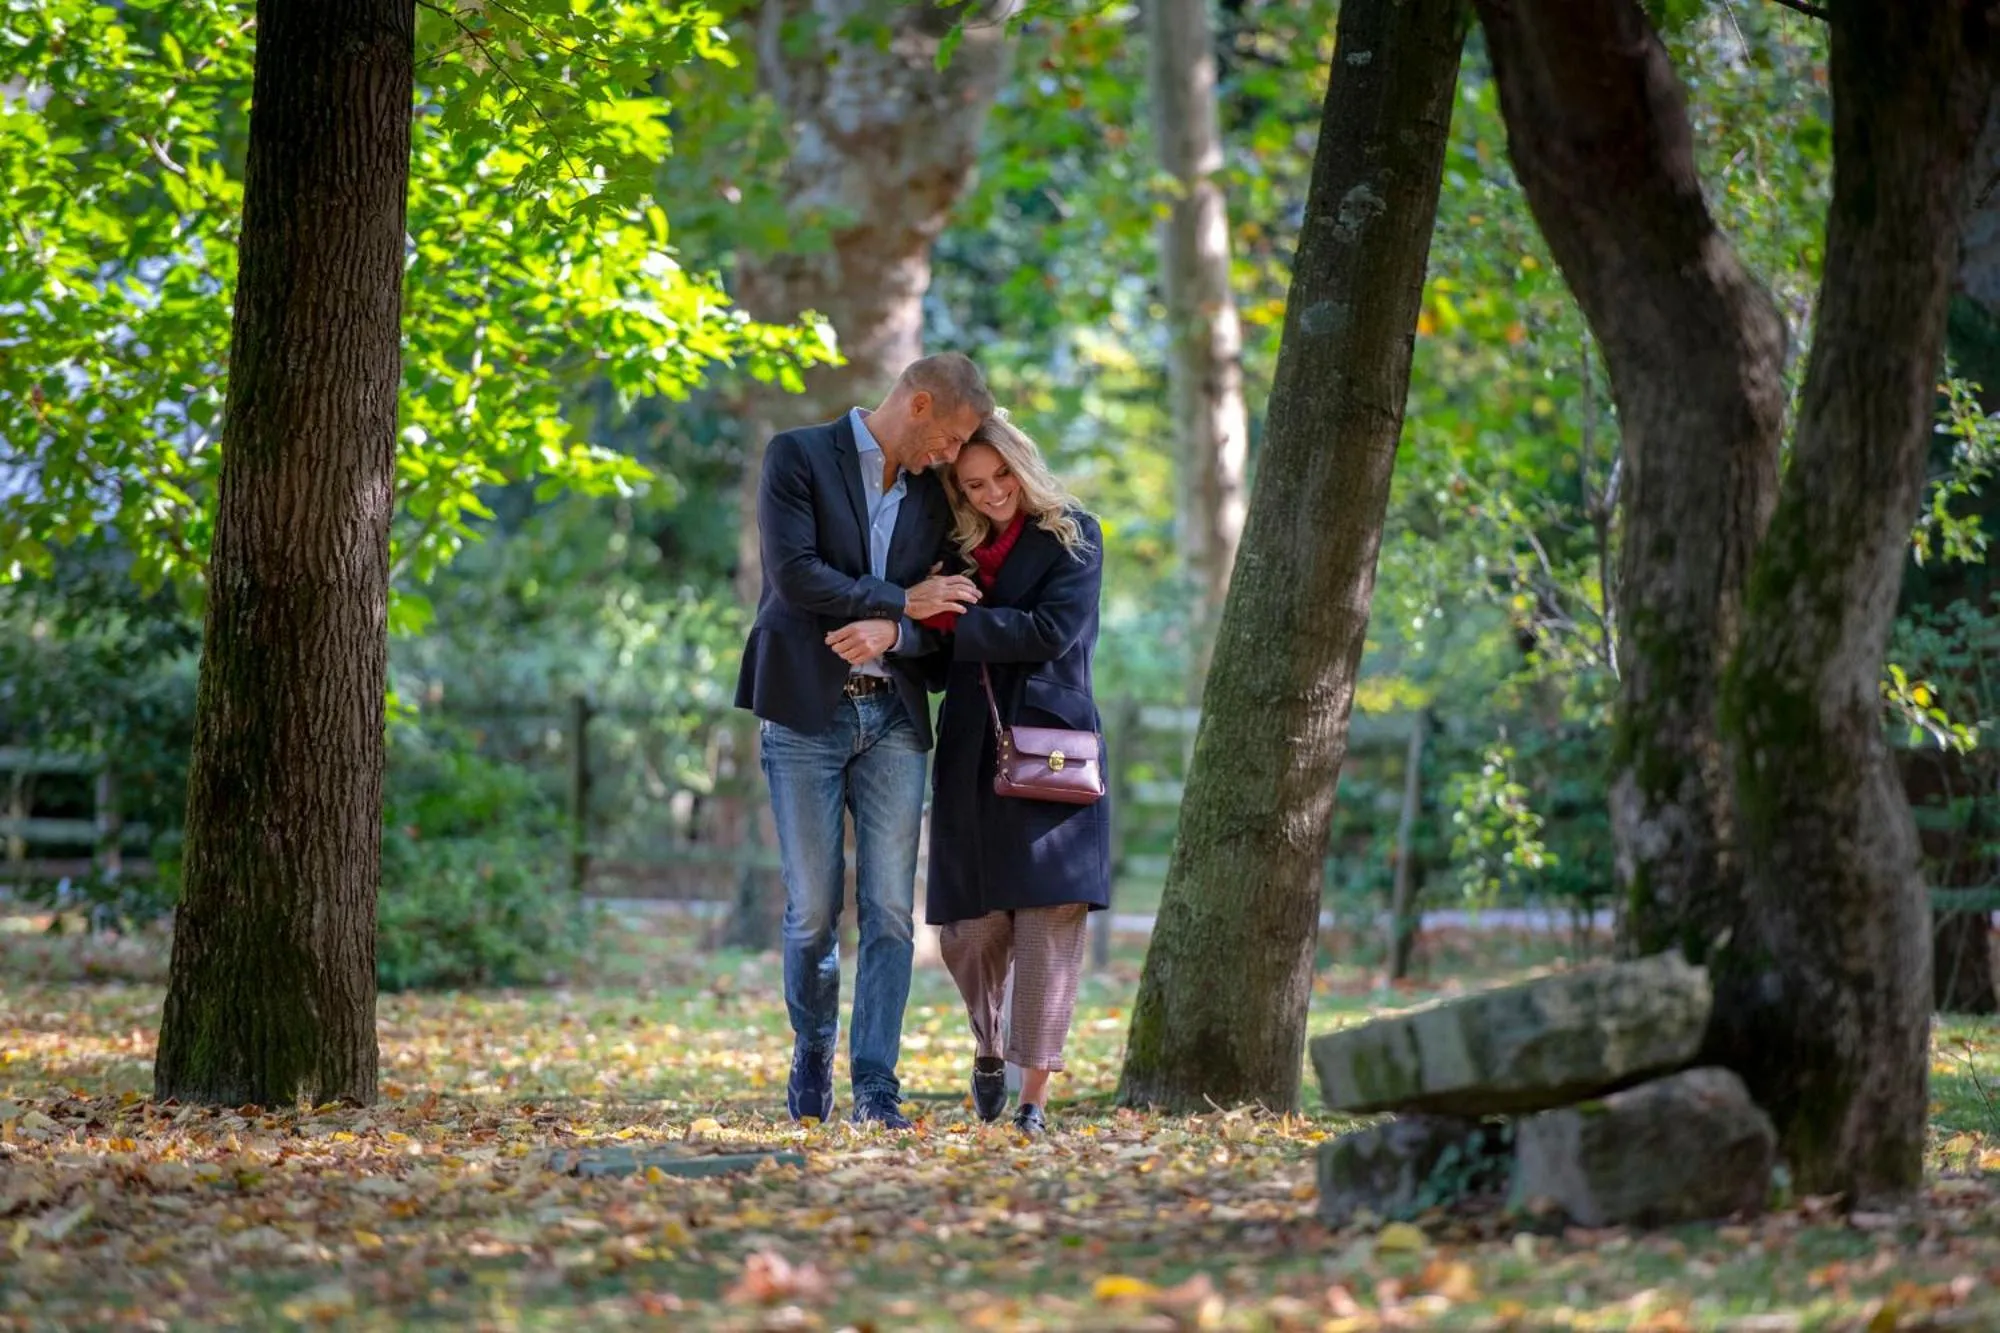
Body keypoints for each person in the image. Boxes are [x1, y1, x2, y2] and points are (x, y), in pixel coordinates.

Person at [735, 353, 994, 1129]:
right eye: (951, 437)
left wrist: (896, 628)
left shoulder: (934, 495)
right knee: (813, 911)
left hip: (894, 717)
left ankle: (877, 1086)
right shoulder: (798, 456)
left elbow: (946, 617)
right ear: (919, 404)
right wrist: (900, 599)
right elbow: (796, 575)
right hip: (803, 712)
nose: (952, 456)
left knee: (889, 911)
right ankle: (813, 1046)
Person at [918, 412, 1109, 1137]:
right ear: (959, 492)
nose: (993, 491)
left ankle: (1034, 1099)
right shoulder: (951, 551)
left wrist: (956, 621)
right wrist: (925, 616)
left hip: (1051, 747)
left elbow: (1051, 632)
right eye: (974, 484)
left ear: (1022, 466)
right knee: (970, 929)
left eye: (1001, 475)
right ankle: (988, 1041)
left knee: (1047, 923)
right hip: (973, 748)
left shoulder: (1074, 534)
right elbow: (934, 660)